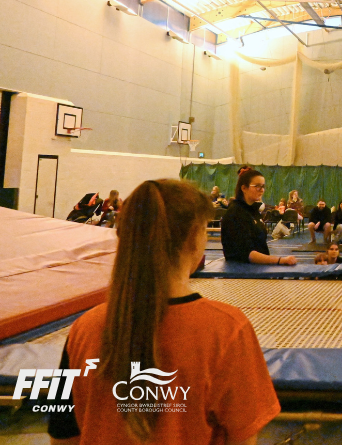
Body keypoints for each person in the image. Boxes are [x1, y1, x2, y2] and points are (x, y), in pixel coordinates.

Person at [47, 179, 279, 443]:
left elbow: (64, 439)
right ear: (194, 238)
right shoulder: (227, 330)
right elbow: (242, 438)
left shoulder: (84, 329)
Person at [221, 169, 297, 266]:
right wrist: (280, 260)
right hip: (241, 273)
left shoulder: (253, 211)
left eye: (263, 186)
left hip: (258, 269)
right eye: (257, 186)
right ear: (244, 188)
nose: (261, 190)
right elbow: (247, 254)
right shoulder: (235, 213)